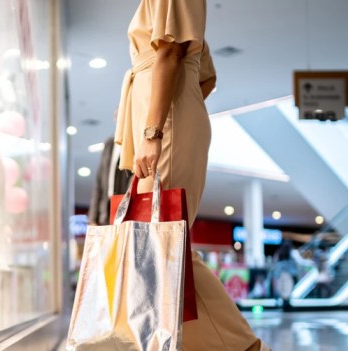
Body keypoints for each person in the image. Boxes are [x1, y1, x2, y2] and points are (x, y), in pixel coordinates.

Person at [114, 0, 269, 349]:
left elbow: (170, 54)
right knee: (160, 247)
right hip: (166, 119)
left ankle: (244, 346)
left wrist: (156, 130)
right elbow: (206, 77)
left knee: (163, 243)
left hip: (165, 125)